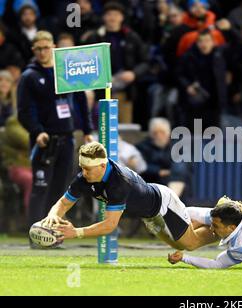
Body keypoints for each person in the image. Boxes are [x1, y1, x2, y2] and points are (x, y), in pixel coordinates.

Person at [43, 142, 216, 251]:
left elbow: (109, 225)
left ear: (102, 166)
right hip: (149, 216)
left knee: (190, 244)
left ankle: (224, 222)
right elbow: (64, 203)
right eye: (82, 168)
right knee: (179, 245)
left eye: (87, 169)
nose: (83, 173)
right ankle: (210, 218)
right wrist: (52, 215)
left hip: (164, 204)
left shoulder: (118, 182)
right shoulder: (84, 178)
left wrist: (76, 233)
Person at [16, 31, 93, 237]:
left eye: (46, 47)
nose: (42, 52)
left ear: (54, 47)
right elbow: (24, 111)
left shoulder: (65, 73)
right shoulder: (29, 76)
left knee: (60, 191)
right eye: (38, 48)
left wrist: (86, 129)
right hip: (44, 140)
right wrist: (37, 131)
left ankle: (53, 235)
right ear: (33, 50)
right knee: (40, 188)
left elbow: (80, 100)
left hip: (67, 138)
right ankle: (35, 235)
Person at [136, 117, 189, 197]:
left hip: (174, 180)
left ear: (168, 133)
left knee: (180, 166)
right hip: (152, 183)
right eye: (155, 133)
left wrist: (171, 172)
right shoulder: (142, 147)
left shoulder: (178, 146)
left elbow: (184, 166)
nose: (159, 135)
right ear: (150, 134)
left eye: (162, 132)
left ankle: (172, 199)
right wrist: (158, 171)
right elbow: (140, 166)